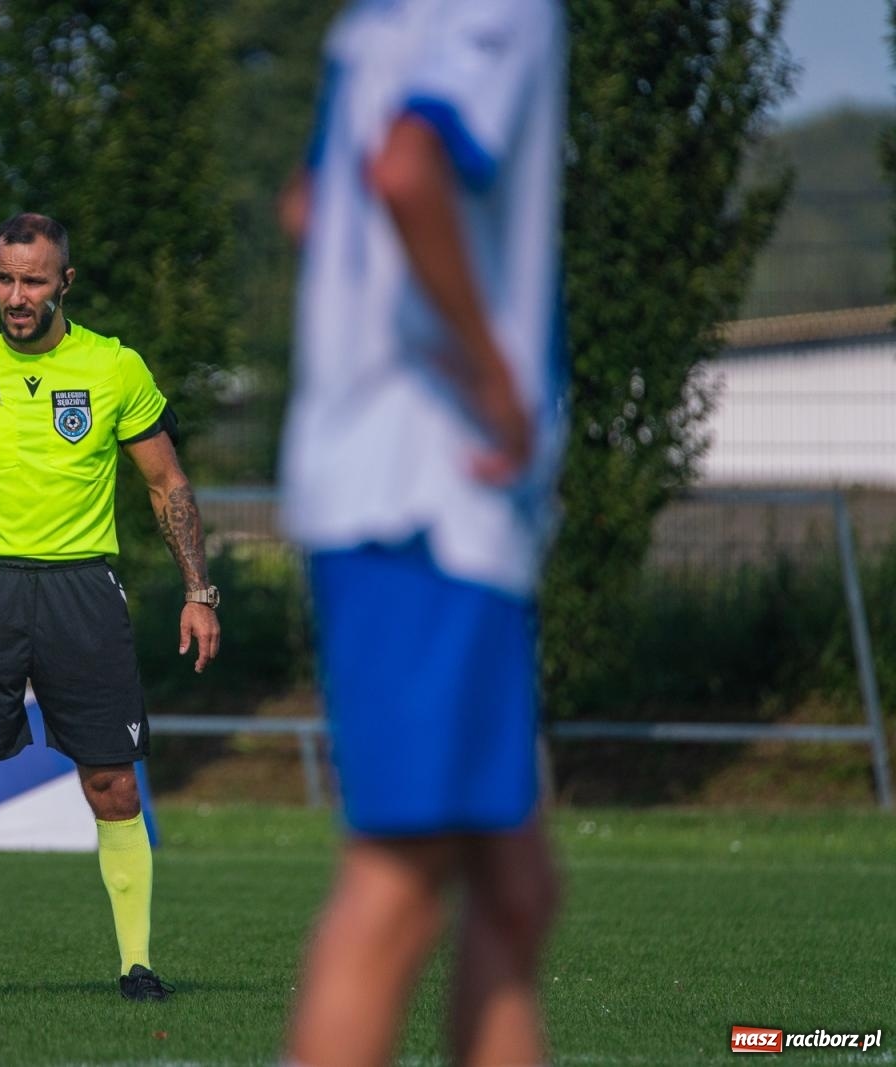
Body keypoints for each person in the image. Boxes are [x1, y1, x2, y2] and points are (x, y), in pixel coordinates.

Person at [277, 0, 567, 1064]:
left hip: (398, 488)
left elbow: (311, 205)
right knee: (397, 884)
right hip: (428, 497)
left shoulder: (373, 22)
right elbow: (405, 170)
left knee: (515, 884)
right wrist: (495, 378)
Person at [0, 212, 220, 1003]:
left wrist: (200, 592)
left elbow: (169, 484)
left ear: (65, 281)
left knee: (114, 786)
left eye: (32, 280)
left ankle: (138, 965)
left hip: (81, 591)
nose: (15, 295)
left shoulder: (113, 366)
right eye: (3, 277)